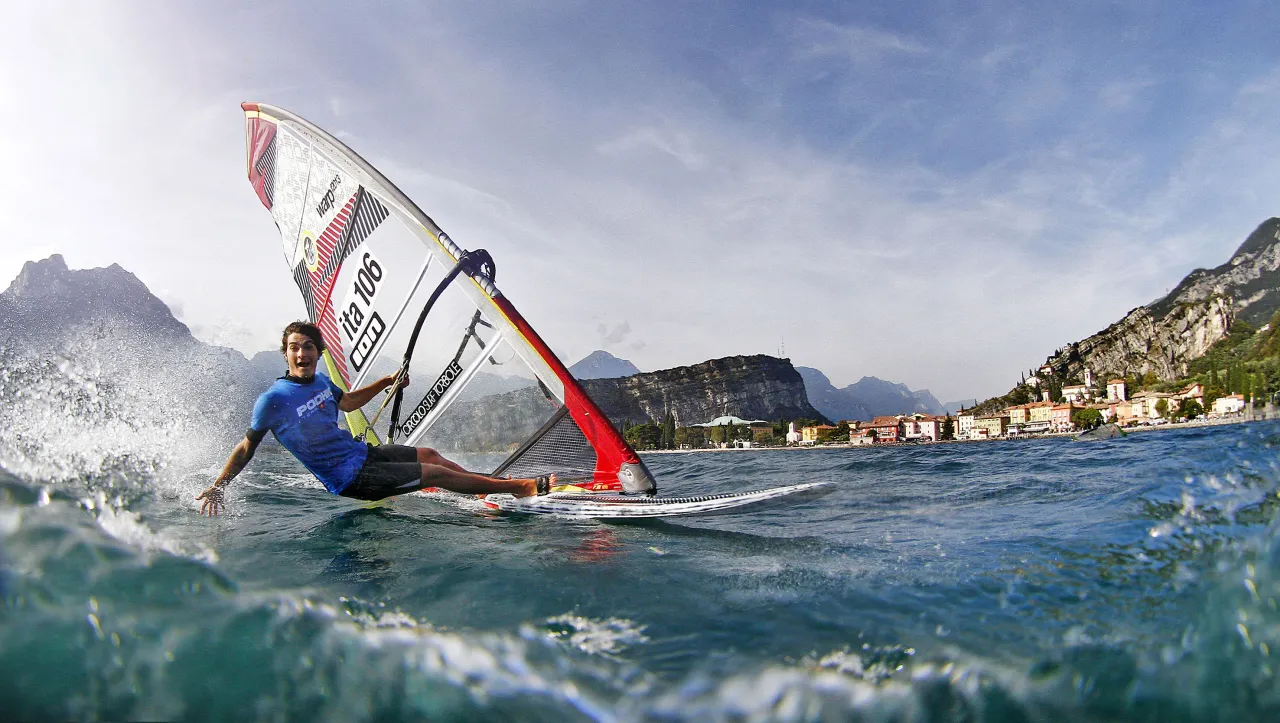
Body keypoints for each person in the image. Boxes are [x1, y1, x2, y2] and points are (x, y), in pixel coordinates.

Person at [196, 321, 551, 516]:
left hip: (361, 455)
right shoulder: (273, 400)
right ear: (285, 353)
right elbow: (246, 447)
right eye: (294, 347)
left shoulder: (321, 380)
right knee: (433, 474)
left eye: (307, 346)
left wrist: (385, 382)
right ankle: (517, 489)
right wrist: (219, 485)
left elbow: (348, 403)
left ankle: (481, 490)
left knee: (428, 455)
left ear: (317, 352)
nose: (301, 353)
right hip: (350, 478)